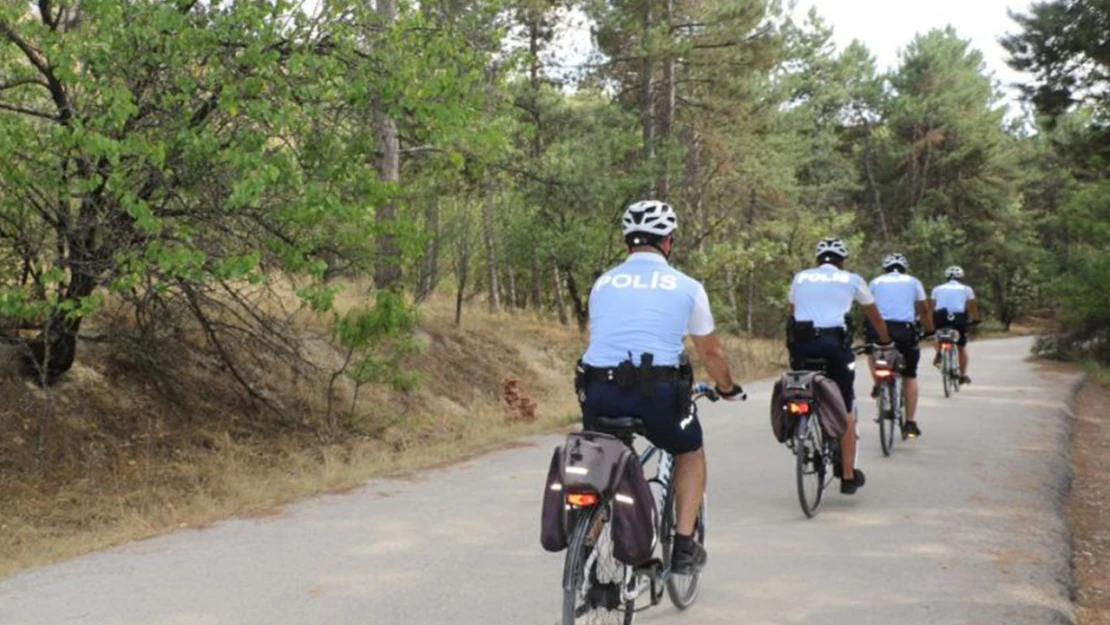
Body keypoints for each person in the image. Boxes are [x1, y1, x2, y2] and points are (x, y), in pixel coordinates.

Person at [578, 200, 745, 575]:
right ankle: (683, 548)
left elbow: (597, 338)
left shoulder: (603, 282)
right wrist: (728, 386)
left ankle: (585, 551)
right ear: (669, 242)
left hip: (599, 391)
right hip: (657, 395)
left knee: (608, 459)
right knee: (689, 452)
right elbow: (711, 350)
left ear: (626, 243)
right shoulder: (686, 286)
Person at [786, 237, 891, 495]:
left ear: (817, 260)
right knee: (845, 406)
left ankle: (800, 423)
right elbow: (873, 314)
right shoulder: (852, 279)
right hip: (835, 347)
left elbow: (790, 311)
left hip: (801, 346)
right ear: (843, 262)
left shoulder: (801, 277)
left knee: (803, 385)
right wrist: (885, 341)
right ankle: (846, 474)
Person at [865, 253, 935, 438]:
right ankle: (910, 422)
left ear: (885, 269)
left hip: (878, 328)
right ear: (904, 268)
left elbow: (867, 306)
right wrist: (929, 331)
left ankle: (877, 383)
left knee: (872, 352)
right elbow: (924, 310)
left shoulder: (875, 282)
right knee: (909, 374)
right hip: (904, 330)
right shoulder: (913, 281)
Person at [931, 266, 981, 384]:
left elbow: (933, 306)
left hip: (940, 316)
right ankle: (962, 376)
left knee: (937, 336)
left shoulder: (937, 289)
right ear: (961, 277)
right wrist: (976, 319)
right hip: (958, 318)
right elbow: (972, 306)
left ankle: (939, 352)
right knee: (961, 347)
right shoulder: (967, 289)